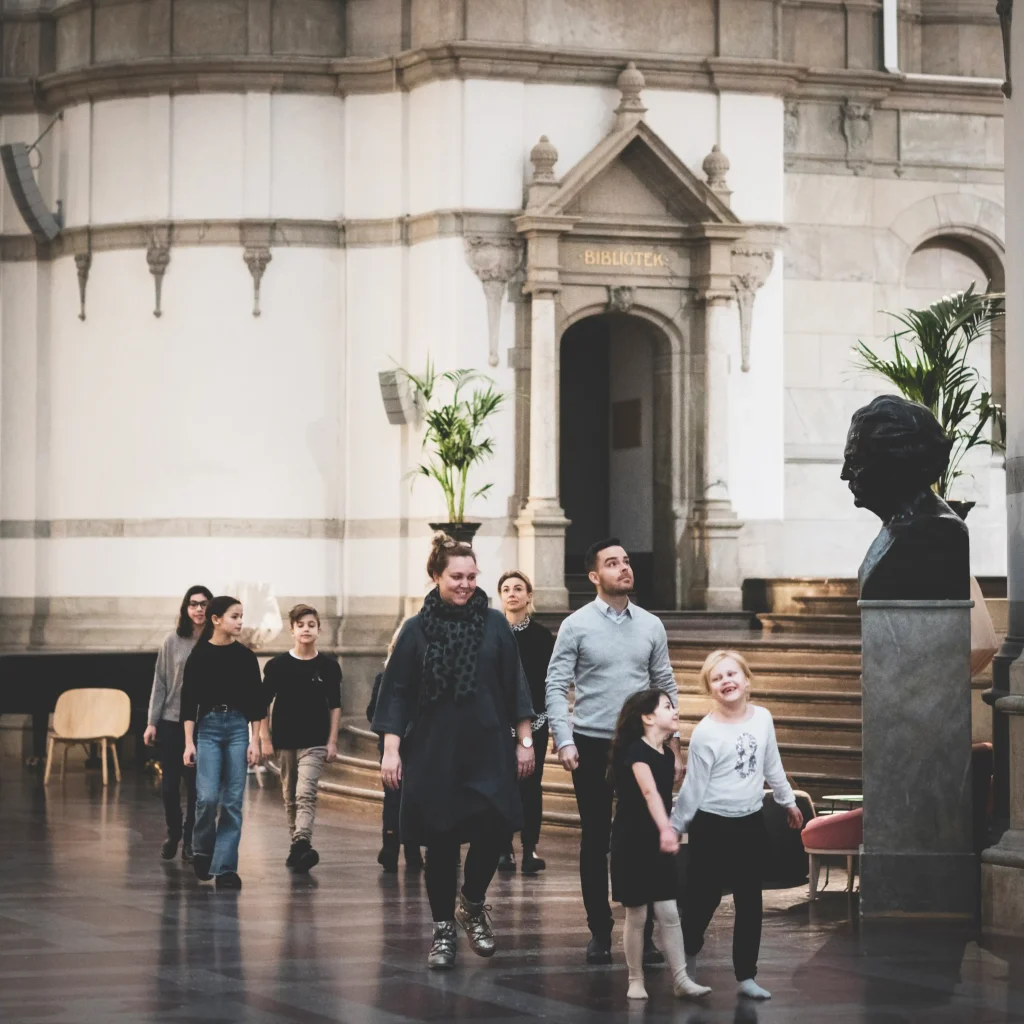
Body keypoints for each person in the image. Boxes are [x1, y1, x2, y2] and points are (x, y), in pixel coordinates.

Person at [372, 532, 535, 969]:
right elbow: (396, 693)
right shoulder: (415, 629)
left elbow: (514, 684)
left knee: (497, 827)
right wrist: (391, 750)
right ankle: (443, 930)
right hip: (432, 750)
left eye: (471, 576)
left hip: (486, 747)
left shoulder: (496, 624)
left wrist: (525, 741)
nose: (465, 584)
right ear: (435, 576)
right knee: (440, 844)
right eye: (455, 576)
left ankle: (472, 902)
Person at [546, 537, 680, 965]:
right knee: (596, 839)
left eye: (626, 561)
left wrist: (673, 742)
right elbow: (555, 684)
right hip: (591, 743)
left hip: (645, 744)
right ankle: (600, 932)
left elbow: (665, 683)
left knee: (647, 837)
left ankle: (646, 934)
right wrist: (564, 739)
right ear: (594, 576)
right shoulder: (576, 625)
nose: (624, 568)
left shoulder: (651, 625)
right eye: (612, 563)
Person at [671, 649, 804, 1001]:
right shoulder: (705, 733)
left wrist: (787, 801)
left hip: (749, 822)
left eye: (732, 674)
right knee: (703, 898)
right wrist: (675, 826)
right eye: (717, 678)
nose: (726, 681)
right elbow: (693, 786)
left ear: (746, 680)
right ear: (710, 689)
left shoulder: (762, 718)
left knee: (749, 900)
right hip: (711, 825)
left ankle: (746, 976)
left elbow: (772, 764)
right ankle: (686, 959)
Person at [610, 689, 711, 1002]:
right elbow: (650, 793)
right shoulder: (634, 751)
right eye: (668, 706)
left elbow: (665, 797)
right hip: (632, 841)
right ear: (648, 716)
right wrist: (667, 828)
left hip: (658, 839)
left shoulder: (668, 756)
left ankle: (681, 978)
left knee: (668, 910)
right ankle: (635, 978)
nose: (674, 711)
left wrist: (669, 828)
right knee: (637, 914)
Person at [181, 595, 267, 890]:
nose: (240, 621)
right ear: (216, 619)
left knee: (232, 802)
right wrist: (188, 743)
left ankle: (226, 867)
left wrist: (255, 741)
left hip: (237, 729)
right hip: (208, 729)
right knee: (206, 798)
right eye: (234, 616)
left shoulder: (245, 657)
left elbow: (257, 703)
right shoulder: (199, 656)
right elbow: (188, 702)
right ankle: (203, 850)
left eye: (242, 616)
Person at [260, 604, 341, 874]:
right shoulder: (277, 666)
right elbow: (262, 704)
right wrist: (265, 738)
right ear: (292, 630)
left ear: (319, 629)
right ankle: (298, 847)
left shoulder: (328, 667)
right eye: (301, 625)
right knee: (290, 796)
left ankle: (302, 840)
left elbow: (335, 705)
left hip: (315, 740)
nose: (306, 629)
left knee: (306, 793)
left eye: (311, 625)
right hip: (285, 739)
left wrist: (332, 741)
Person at [143, 584, 212, 863]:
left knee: (197, 786)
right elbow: (160, 682)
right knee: (170, 786)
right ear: (186, 608)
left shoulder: (215, 641)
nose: (198, 609)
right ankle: (174, 832)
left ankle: (190, 840)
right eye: (193, 604)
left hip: (204, 723)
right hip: (172, 721)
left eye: (204, 604)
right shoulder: (172, 641)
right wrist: (151, 722)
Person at [496, 570, 555, 875]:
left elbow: (550, 682)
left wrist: (550, 722)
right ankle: (504, 849)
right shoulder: (492, 632)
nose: (512, 593)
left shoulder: (542, 636)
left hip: (536, 722)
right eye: (506, 589)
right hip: (498, 725)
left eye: (518, 588)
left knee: (531, 785)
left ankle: (529, 847)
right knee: (503, 785)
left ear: (529, 596)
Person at [367, 620, 424, 873]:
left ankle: (412, 849)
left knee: (413, 797)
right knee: (393, 794)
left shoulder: (424, 679)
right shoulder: (384, 678)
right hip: (392, 745)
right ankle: (390, 844)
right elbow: (373, 713)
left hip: (420, 744)